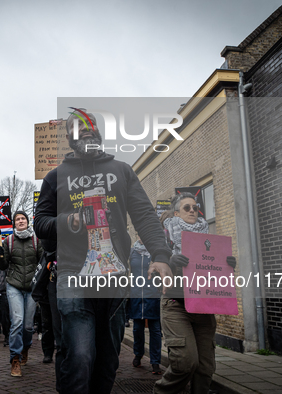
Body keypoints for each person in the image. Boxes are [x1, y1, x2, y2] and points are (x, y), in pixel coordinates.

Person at [34, 109, 172, 393]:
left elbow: (145, 215)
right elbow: (40, 223)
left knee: (108, 360)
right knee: (81, 354)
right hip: (73, 275)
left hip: (115, 277)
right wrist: (69, 220)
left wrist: (159, 255)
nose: (85, 128)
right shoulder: (55, 177)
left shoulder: (122, 170)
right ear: (69, 136)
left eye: (90, 124)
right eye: (77, 126)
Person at [154, 192, 236, 394]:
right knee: (185, 362)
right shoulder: (164, 237)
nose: (192, 210)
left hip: (204, 306)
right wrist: (169, 263)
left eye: (195, 207)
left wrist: (228, 264)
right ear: (176, 212)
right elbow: (154, 273)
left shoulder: (207, 237)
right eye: (186, 208)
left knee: (205, 368)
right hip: (176, 305)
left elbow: (214, 271)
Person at [0, 210, 42, 377]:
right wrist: (0, 257)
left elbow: (42, 263)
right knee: (17, 321)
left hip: (31, 287)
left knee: (28, 325)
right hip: (13, 285)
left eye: (23, 218)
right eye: (18, 219)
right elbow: (2, 267)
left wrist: (40, 285)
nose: (21, 221)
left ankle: (26, 348)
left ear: (27, 221)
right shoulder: (8, 241)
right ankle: (15, 358)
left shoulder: (37, 241)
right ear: (14, 223)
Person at [129, 235, 162, 375]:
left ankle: (155, 362)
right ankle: (138, 354)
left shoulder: (155, 253)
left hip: (153, 294)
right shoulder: (132, 252)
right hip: (136, 294)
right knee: (137, 328)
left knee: (155, 330)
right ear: (137, 236)